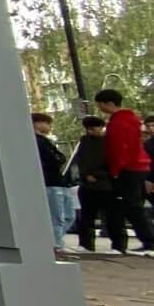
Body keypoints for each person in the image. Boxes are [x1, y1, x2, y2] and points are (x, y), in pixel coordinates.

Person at [95, 89, 154, 255]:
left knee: (131, 207)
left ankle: (149, 242)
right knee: (135, 206)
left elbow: (119, 149)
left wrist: (115, 171)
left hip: (127, 168)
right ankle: (147, 241)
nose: (100, 108)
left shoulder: (117, 123)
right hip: (140, 167)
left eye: (100, 105)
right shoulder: (133, 119)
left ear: (109, 103)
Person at [33, 113, 75, 256]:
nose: (50, 127)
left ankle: (54, 241)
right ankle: (55, 244)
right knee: (57, 216)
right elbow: (53, 159)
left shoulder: (47, 141)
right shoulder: (36, 142)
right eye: (47, 123)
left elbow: (60, 158)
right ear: (37, 123)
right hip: (50, 182)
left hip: (59, 182)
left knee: (69, 215)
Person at [72, 116, 112, 253]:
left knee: (111, 216)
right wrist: (85, 175)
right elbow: (81, 162)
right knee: (87, 217)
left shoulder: (107, 142)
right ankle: (86, 244)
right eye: (89, 129)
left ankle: (118, 245)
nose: (91, 131)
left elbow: (110, 161)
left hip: (105, 183)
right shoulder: (84, 142)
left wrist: (98, 175)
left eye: (94, 128)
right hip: (88, 185)